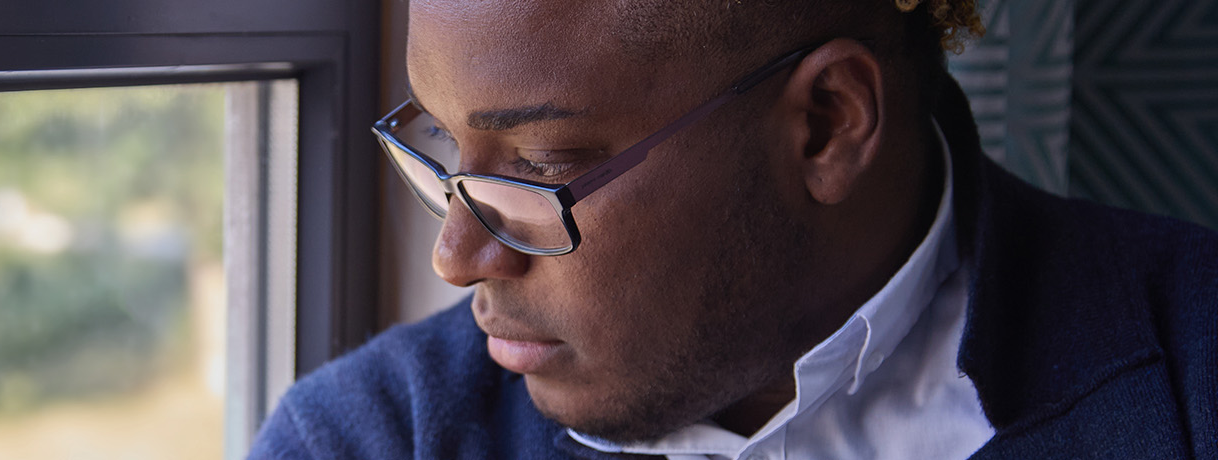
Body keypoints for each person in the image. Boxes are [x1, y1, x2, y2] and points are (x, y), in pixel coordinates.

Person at [249, 0, 1218, 458]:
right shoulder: (369, 439)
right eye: (441, 145)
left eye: (541, 168)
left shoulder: (1193, 374)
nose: (455, 256)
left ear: (828, 123)